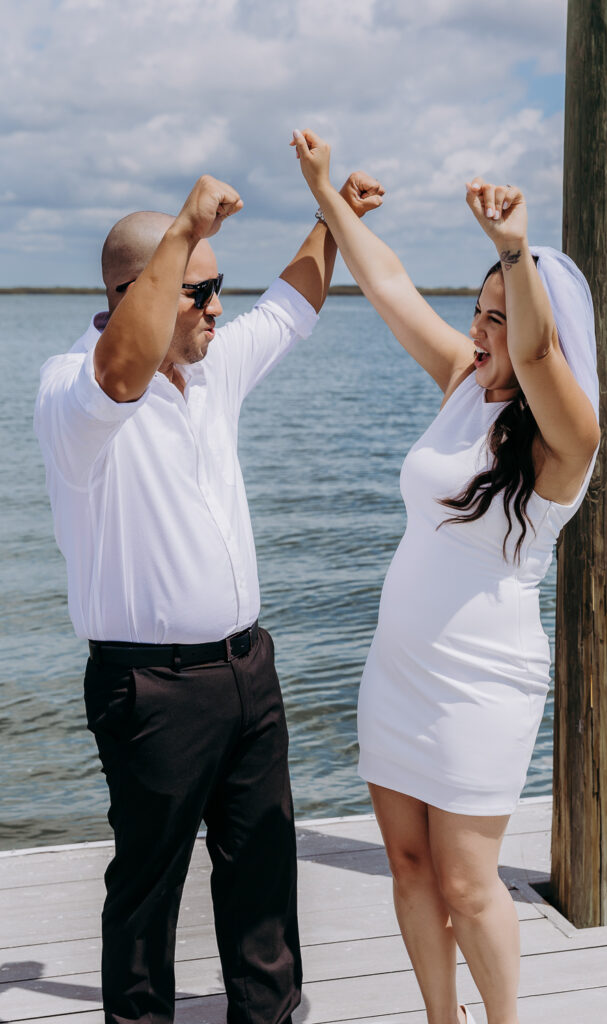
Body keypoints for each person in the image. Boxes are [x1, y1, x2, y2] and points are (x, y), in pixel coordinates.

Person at [34, 167, 384, 1024]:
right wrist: (184, 227)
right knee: (148, 890)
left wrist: (329, 218)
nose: (219, 306)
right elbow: (121, 377)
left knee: (262, 870)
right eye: (200, 290)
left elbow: (291, 307)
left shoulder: (210, 365)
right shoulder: (71, 388)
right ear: (135, 292)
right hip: (150, 686)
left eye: (218, 286)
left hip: (245, 670)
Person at [291, 129, 600, 1024]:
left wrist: (512, 249)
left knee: (469, 886)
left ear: (543, 325)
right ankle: (440, 1018)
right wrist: (326, 194)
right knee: (410, 867)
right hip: (398, 670)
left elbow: (540, 360)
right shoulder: (465, 380)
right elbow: (387, 285)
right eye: (480, 309)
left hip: (482, 685)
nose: (482, 329)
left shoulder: (562, 445)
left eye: (501, 315)